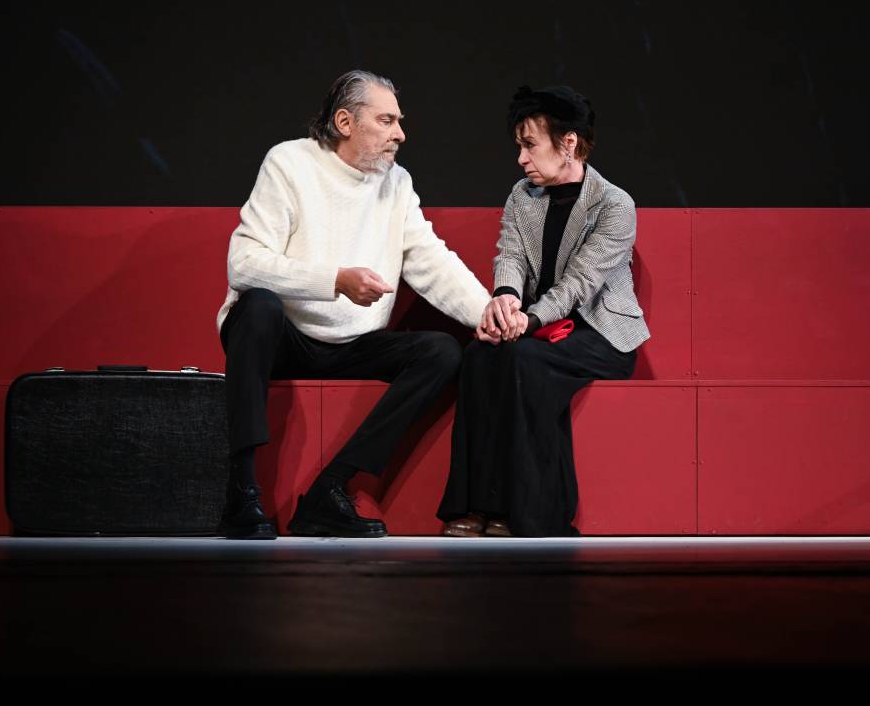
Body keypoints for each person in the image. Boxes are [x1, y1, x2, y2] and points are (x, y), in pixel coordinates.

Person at [216, 70, 491, 539]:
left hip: (352, 342)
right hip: (284, 337)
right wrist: (335, 281)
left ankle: (330, 489)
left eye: (399, 121)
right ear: (345, 122)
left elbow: (430, 259)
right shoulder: (289, 162)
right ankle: (240, 490)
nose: (400, 134)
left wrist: (487, 312)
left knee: (441, 351)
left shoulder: (396, 182)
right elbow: (244, 264)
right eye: (386, 121)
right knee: (258, 306)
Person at [437, 85, 650, 537]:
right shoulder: (522, 196)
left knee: (524, 359)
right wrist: (506, 300)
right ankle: (476, 506)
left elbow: (580, 282)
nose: (521, 158)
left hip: (599, 334)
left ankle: (531, 514)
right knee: (479, 355)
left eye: (530, 145)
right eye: (519, 146)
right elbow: (510, 255)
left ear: (568, 143)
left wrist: (528, 319)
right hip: (536, 327)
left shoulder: (614, 204)